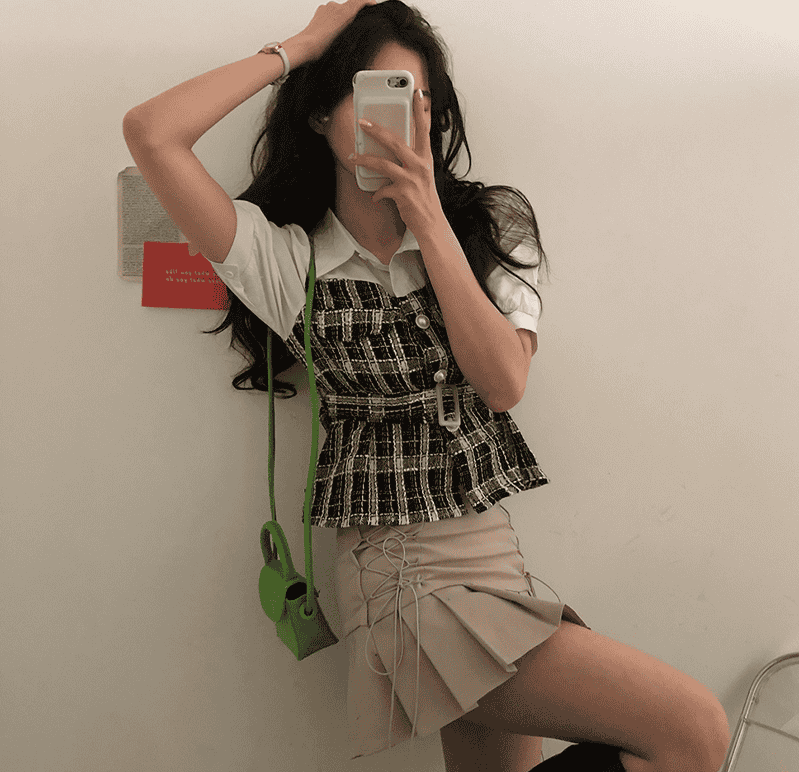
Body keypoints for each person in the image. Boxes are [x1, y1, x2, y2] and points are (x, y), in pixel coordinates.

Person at [122, 2, 731, 770]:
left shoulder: (490, 227)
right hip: (398, 578)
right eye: (378, 93)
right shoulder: (285, 261)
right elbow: (152, 132)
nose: (404, 119)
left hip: (493, 562)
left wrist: (426, 218)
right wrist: (302, 46)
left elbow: (502, 382)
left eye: (420, 101)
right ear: (321, 114)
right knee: (691, 729)